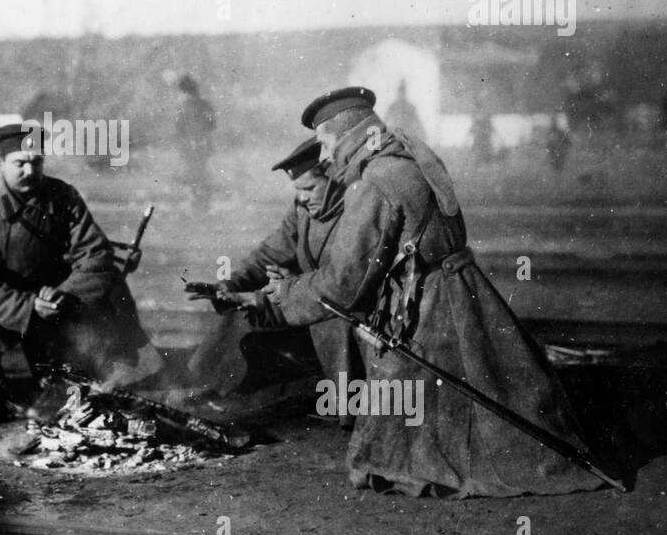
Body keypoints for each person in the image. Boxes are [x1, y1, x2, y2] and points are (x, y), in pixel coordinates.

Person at [252, 87, 605, 497]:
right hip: (460, 293)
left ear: (346, 136)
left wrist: (285, 296)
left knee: (401, 437)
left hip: (427, 308)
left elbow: (344, 282)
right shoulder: (407, 158)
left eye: (327, 143)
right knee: (491, 401)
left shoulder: (376, 180)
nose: (326, 156)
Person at [0, 123, 164, 422]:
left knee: (110, 291)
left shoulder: (63, 197)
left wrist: (66, 295)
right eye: (19, 163)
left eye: (36, 162)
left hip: (54, 298)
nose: (29, 171)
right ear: (0, 163)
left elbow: (96, 253)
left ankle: (108, 379)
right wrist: (28, 306)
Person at [189, 136, 357, 410]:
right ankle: (206, 386)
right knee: (237, 311)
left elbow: (343, 280)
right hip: (303, 301)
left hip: (336, 313)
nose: (302, 197)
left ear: (333, 177)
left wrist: (291, 283)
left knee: (265, 321)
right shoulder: (303, 208)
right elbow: (271, 251)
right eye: (298, 190)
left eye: (310, 188)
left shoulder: (355, 211)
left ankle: (266, 399)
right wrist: (230, 284)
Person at [175, 74, 217, 211]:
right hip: (202, 144)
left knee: (194, 175)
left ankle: (197, 202)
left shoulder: (184, 106)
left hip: (191, 145)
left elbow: (179, 128)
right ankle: (203, 202)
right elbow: (212, 125)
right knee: (201, 174)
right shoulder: (204, 105)